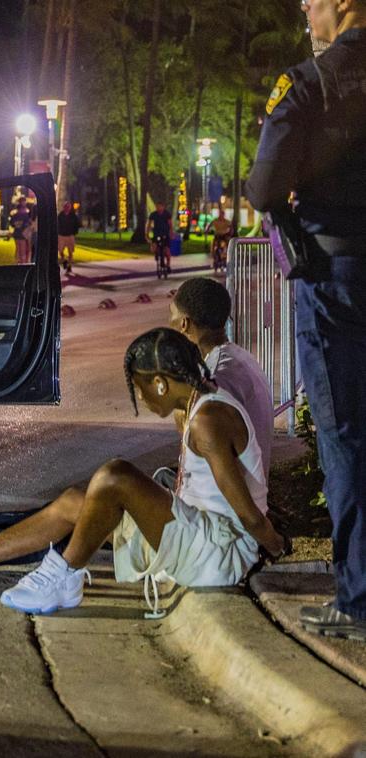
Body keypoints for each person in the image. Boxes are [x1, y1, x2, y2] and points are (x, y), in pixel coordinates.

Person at [0, 328, 288, 617]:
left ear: (161, 383)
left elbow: (247, 514)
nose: (140, 399)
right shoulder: (200, 404)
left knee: (117, 475)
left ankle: (63, 575)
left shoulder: (208, 420)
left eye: (140, 389)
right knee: (73, 501)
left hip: (219, 552)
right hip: (199, 535)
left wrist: (277, 547)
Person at [246, 0, 366, 642]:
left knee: (345, 435)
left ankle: (359, 597)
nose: (303, 7)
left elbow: (265, 191)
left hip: (335, 280)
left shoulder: (310, 82)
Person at [169, 277, 273, 480]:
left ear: (184, 324)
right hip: (250, 486)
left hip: (228, 502)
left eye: (171, 315)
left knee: (116, 480)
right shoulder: (239, 358)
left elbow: (202, 462)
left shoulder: (213, 379)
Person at [147, 201, 173, 272]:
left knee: (167, 251)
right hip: (156, 234)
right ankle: (157, 254)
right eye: (157, 207)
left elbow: (170, 224)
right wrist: (147, 234)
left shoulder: (167, 214)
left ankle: (168, 265)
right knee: (154, 247)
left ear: (163, 207)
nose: (158, 208)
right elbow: (149, 224)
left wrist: (171, 233)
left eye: (160, 207)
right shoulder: (153, 214)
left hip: (165, 234)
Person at [57, 200, 80, 274]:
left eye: (68, 206)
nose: (66, 208)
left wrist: (75, 232)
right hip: (61, 235)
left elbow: (77, 224)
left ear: (70, 208)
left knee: (70, 252)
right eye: (65, 206)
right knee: (60, 251)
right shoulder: (60, 215)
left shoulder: (73, 216)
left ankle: (69, 266)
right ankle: (64, 261)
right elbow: (57, 224)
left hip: (70, 235)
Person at [10, 195, 33, 264]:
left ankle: (17, 263)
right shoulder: (26, 214)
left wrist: (17, 224)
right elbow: (28, 223)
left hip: (17, 233)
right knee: (23, 250)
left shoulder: (15, 214)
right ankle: (22, 264)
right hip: (23, 234)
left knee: (18, 249)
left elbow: (12, 223)